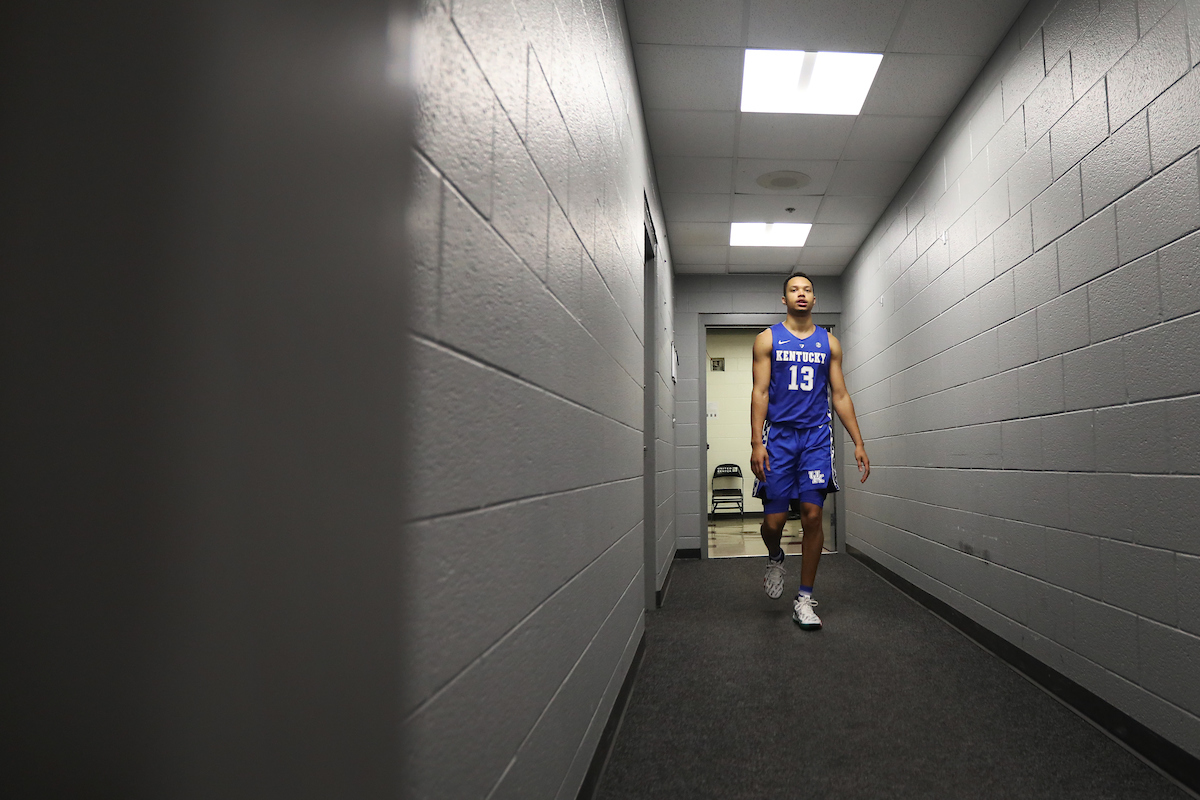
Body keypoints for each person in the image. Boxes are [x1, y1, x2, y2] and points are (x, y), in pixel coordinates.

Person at [750, 271, 869, 630]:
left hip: (816, 438)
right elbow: (760, 392)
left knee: (812, 516)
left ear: (815, 300)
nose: (801, 294)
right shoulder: (767, 339)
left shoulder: (829, 343)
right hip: (780, 438)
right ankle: (775, 556)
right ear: (784, 299)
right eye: (793, 289)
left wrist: (858, 442)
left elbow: (840, 395)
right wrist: (756, 441)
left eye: (807, 290)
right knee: (772, 523)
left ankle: (804, 598)